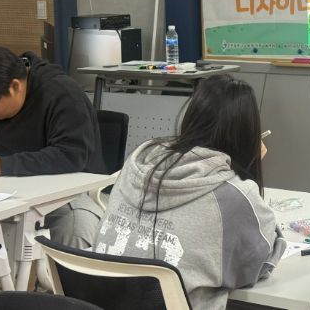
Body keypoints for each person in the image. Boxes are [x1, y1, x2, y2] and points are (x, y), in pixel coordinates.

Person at [94, 74, 286, 310]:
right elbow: (260, 263)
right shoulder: (233, 196)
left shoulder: (140, 160)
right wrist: (248, 171)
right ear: (248, 134)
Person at [0, 45, 106, 248]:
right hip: (8, 193)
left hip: (68, 192)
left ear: (15, 87)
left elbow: (69, 155)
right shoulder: (2, 95)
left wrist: (2, 165)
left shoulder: (62, 93)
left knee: (75, 228)